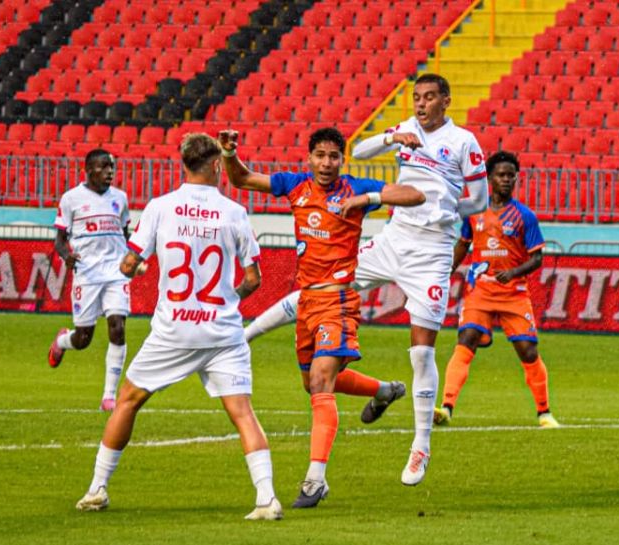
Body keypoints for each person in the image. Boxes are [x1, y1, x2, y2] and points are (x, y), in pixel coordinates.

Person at [242, 73, 489, 485]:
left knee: (422, 352)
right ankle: (244, 336)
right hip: (394, 238)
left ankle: (420, 446)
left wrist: (444, 208)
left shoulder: (463, 142)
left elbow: (479, 201)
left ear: (446, 101)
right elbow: (359, 149)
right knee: (321, 286)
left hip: (432, 252)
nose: (421, 104)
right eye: (417, 97)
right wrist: (393, 138)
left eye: (430, 97)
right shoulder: (407, 129)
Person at [74, 133, 282, 520]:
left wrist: (138, 267)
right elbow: (253, 279)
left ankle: (97, 489)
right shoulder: (234, 212)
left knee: (128, 400)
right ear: (217, 166)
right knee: (242, 413)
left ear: (183, 164)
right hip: (222, 330)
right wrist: (229, 298)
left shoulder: (160, 207)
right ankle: (267, 498)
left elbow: (128, 265)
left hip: (175, 330)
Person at [220, 127, 424, 508]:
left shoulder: (353, 189)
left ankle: (315, 480)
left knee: (321, 380)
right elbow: (242, 178)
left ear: (341, 160)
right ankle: (383, 390)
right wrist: (229, 153)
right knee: (313, 385)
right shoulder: (295, 185)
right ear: (309, 157)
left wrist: (371, 196)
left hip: (339, 301)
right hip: (307, 303)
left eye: (334, 156)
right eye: (320, 156)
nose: (327, 163)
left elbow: (415, 194)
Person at [433, 151, 557, 428]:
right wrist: (444, 274)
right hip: (480, 291)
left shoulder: (525, 216)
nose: (506, 180)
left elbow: (537, 258)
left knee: (527, 350)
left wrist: (513, 272)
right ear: (490, 178)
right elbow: (463, 245)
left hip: (514, 292)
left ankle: (544, 412)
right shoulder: (474, 211)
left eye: (511, 175)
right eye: (501, 175)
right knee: (466, 339)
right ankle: (447, 407)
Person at [47, 149, 132, 412]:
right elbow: (60, 240)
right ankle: (63, 341)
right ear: (89, 169)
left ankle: (109, 396)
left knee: (117, 327)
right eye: (104, 167)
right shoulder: (71, 199)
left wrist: (130, 261)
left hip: (115, 272)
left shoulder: (120, 198)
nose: (110, 172)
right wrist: (66, 257)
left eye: (112, 167)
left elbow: (124, 233)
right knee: (84, 339)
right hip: (87, 273)